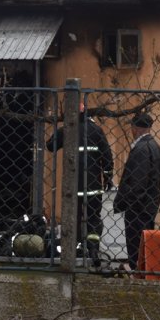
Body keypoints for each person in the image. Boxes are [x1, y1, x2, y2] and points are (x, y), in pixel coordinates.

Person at [46, 101, 114, 265]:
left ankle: (74, 249)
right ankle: (93, 249)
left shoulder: (68, 130)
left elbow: (50, 146)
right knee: (93, 218)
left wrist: (60, 131)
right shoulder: (96, 130)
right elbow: (107, 156)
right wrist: (108, 177)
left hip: (73, 186)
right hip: (93, 185)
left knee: (73, 217)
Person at [112, 112, 160, 270]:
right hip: (148, 205)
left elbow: (137, 182)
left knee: (135, 247)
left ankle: (138, 273)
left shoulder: (141, 149)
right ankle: (142, 272)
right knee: (144, 246)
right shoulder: (154, 147)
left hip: (138, 208)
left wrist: (129, 203)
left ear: (135, 128)